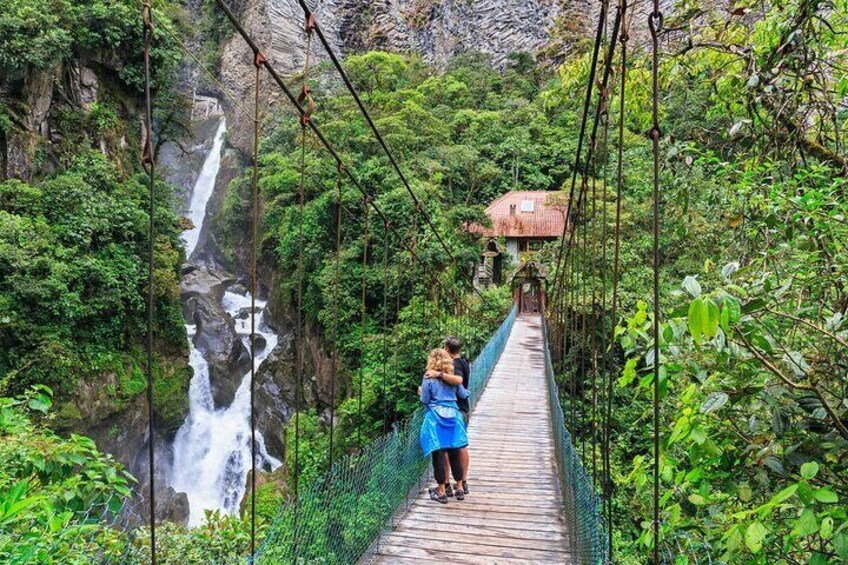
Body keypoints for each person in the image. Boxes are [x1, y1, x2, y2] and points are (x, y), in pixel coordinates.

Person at [418, 348, 468, 504]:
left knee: (438, 454)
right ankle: (459, 487)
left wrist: (421, 393)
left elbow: (425, 400)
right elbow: (463, 395)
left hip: (435, 419)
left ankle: (441, 492)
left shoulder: (428, 377)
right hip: (453, 416)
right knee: (454, 452)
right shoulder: (452, 377)